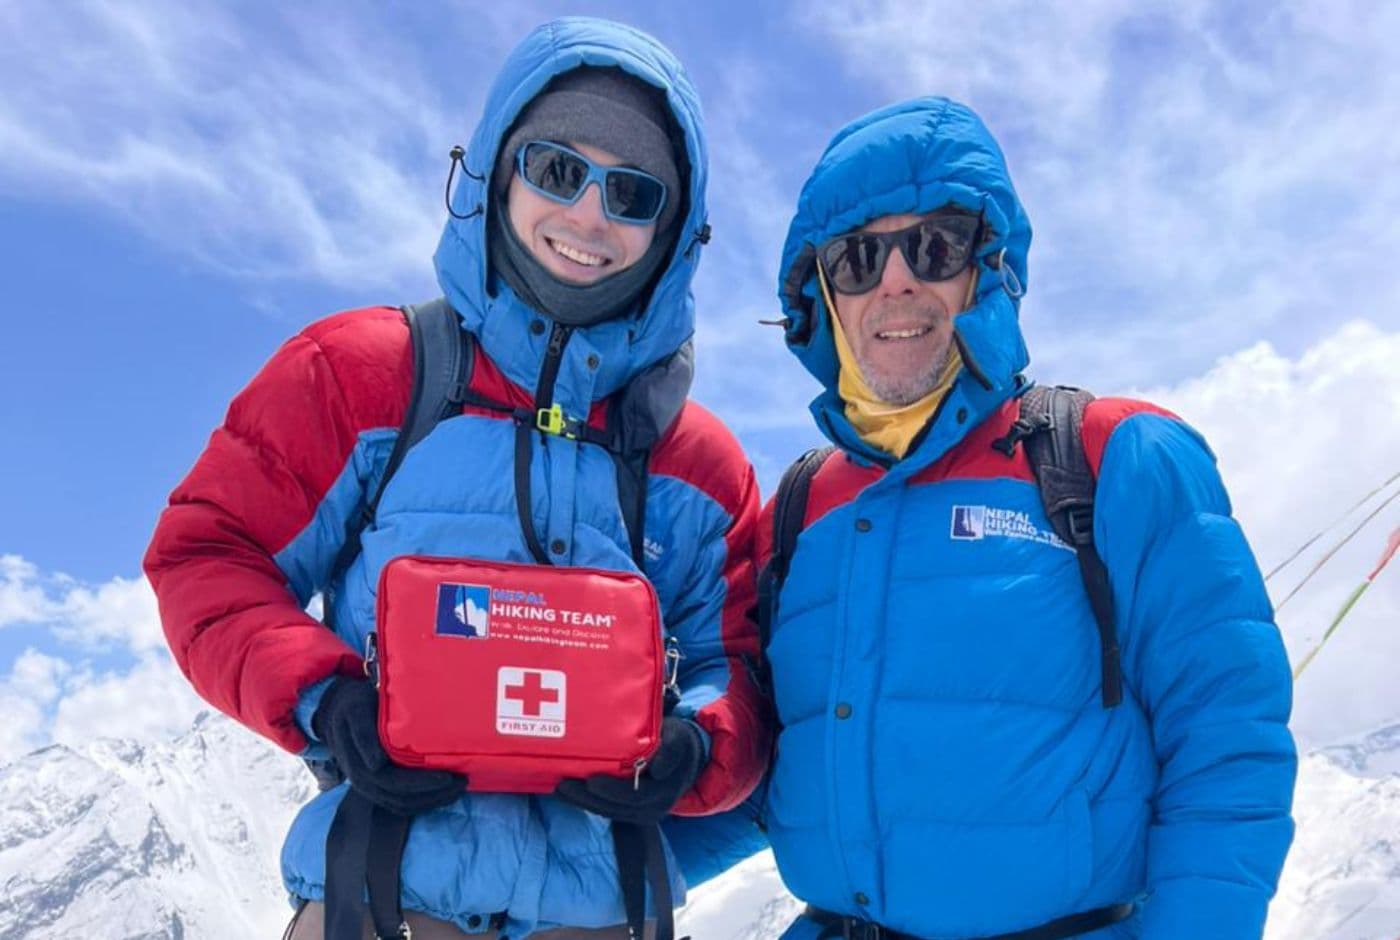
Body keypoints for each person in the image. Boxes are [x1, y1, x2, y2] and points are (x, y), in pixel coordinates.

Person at [143, 17, 768, 940]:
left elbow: (738, 669)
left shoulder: (696, 461)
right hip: (386, 896)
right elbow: (209, 556)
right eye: (559, 169)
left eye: (633, 193)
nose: (590, 215)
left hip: (598, 912)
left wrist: (694, 746)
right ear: (496, 170)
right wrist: (328, 698)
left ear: (673, 233)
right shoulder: (362, 375)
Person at [758, 97, 1296, 939]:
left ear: (987, 267)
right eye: (858, 257)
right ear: (822, 295)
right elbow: (753, 758)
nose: (895, 280)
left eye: (933, 245)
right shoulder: (794, 509)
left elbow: (1229, 738)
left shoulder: (1111, 454)